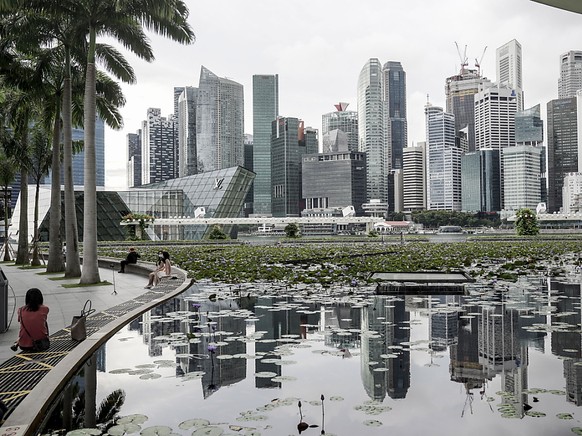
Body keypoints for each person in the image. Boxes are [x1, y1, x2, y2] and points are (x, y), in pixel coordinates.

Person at [12, 288, 49, 352]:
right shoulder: (45, 309)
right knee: (44, 322)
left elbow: (21, 321)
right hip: (41, 344)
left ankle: (18, 342)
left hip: (24, 346)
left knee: (26, 326)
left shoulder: (20, 310)